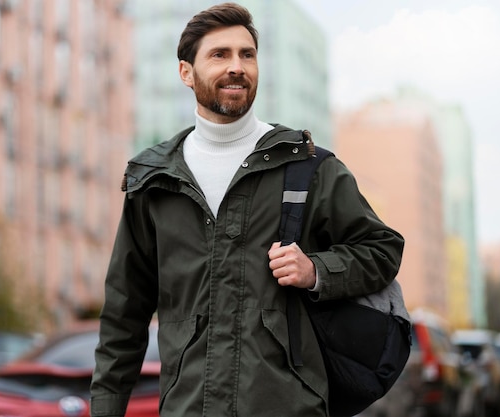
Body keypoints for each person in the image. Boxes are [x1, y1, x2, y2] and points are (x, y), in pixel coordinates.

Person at [90, 3, 404, 417]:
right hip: (188, 408)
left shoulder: (307, 166)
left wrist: (317, 272)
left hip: (289, 406)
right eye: (220, 54)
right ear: (186, 72)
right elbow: (123, 315)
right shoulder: (154, 181)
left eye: (247, 54)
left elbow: (383, 249)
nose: (237, 66)